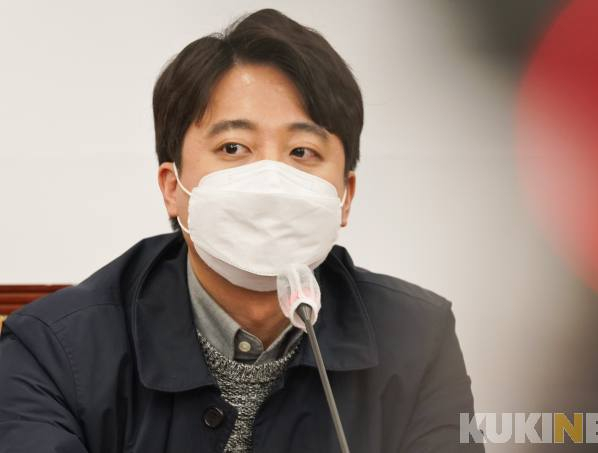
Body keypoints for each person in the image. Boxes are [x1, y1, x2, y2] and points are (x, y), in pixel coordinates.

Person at [0, 8, 482, 453]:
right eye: (233, 148)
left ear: (345, 196)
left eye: (302, 153)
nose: (270, 181)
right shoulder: (53, 351)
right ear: (172, 187)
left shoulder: (418, 340)